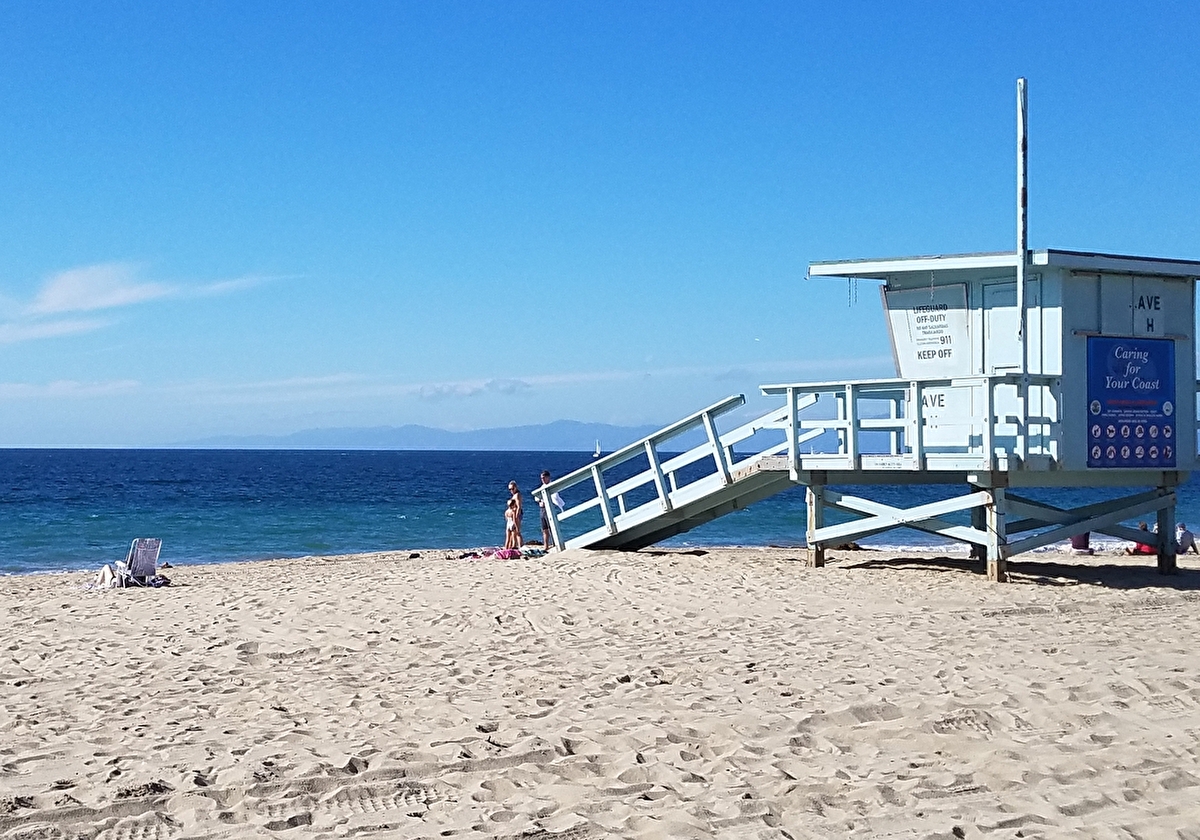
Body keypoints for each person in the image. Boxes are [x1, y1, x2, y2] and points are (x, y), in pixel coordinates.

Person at [507, 481, 523, 547]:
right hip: (514, 515)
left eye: (512, 488)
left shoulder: (517, 495)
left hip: (516, 515)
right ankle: (515, 545)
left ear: (516, 487)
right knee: (514, 532)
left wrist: (516, 516)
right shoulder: (514, 495)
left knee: (517, 532)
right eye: (510, 489)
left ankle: (520, 546)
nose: (511, 490)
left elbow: (519, 506)